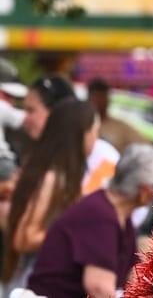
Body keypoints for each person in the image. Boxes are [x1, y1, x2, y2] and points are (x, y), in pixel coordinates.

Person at [26, 143, 153, 298]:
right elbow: (99, 288)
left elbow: (132, 274)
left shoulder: (119, 218)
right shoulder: (101, 216)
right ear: (144, 191)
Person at [2, 99, 99, 292]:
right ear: (82, 135)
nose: (96, 139)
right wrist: (72, 228)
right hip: (31, 283)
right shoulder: (52, 179)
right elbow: (24, 238)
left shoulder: (59, 176)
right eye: (95, 132)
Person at [20, 75, 120, 197]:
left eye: (31, 110)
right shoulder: (35, 155)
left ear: (57, 111)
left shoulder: (100, 156)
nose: (24, 119)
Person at [85, 77, 147, 153]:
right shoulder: (82, 125)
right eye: (97, 98)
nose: (101, 102)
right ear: (89, 99)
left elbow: (145, 146)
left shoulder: (120, 126)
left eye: (103, 97)